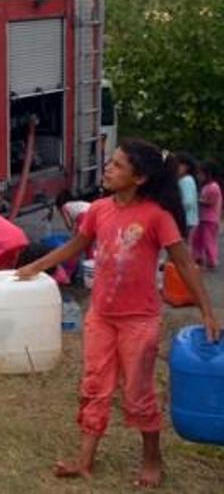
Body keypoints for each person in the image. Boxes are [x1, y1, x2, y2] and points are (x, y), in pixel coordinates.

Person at [16, 139, 220, 487]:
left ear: (139, 178)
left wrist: (208, 311)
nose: (107, 169)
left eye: (117, 165)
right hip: (101, 316)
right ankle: (84, 461)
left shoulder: (157, 216)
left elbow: (184, 262)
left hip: (139, 321)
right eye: (110, 163)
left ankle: (152, 459)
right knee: (94, 386)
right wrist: (36, 265)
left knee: (138, 393)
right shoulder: (98, 209)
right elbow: (76, 245)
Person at [192, 160, 220, 270]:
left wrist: (198, 200)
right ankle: (198, 257)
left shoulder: (213, 187)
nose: (199, 176)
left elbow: (210, 202)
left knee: (209, 240)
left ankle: (212, 260)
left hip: (210, 219)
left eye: (201, 174)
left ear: (208, 174)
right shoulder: (206, 186)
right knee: (198, 239)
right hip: (203, 218)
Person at [173, 152, 199, 242]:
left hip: (186, 219)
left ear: (187, 167)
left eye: (178, 165)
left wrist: (175, 208)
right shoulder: (185, 180)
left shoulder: (186, 180)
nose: (175, 168)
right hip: (187, 219)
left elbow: (188, 202)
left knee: (181, 244)